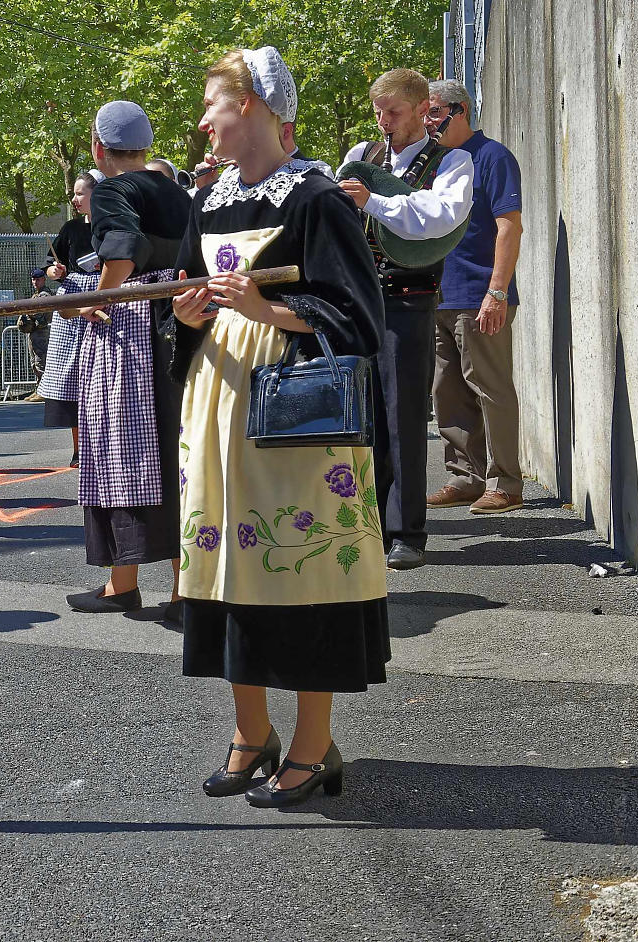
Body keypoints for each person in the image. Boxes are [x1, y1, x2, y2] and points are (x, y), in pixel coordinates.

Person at [172, 46, 389, 808]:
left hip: (296, 410)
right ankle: (250, 731)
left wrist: (267, 312)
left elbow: (359, 315)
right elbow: (191, 288)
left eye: (214, 106)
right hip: (218, 398)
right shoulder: (210, 202)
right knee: (229, 565)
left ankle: (312, 744)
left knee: (301, 564)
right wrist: (188, 312)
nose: (203, 122)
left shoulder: (316, 200)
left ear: (255, 105)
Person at [339, 68, 475, 571]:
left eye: (393, 112)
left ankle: (407, 532)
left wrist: (371, 199)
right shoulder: (361, 157)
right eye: (378, 112)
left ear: (423, 110)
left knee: (403, 419)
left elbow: (437, 216)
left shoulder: (452, 162)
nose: (384, 122)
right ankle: (365, 524)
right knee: (362, 418)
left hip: (408, 300)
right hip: (359, 301)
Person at [62, 104, 190, 616]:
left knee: (120, 445)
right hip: (179, 320)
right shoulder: (176, 191)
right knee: (173, 446)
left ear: (98, 147)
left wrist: (99, 296)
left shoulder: (114, 189)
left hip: (133, 328)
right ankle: (185, 589)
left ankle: (125, 582)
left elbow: (124, 246)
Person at [425, 78, 524, 515]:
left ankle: (505, 484)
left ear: (459, 110)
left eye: (432, 113)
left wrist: (497, 292)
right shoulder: (436, 163)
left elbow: (509, 227)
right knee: (447, 392)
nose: (426, 122)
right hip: (438, 295)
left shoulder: (493, 157)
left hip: (479, 295)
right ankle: (465, 477)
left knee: (490, 389)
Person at [36, 175, 99, 454]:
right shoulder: (71, 228)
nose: (74, 200)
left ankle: (102, 446)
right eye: (74, 194)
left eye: (79, 194)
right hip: (71, 303)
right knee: (71, 375)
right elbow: (50, 267)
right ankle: (79, 450)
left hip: (103, 298)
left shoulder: (114, 224)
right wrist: (56, 272)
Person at [17, 266, 51, 401]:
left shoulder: (45, 295)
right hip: (35, 332)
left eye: (38, 279)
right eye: (33, 279)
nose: (35, 282)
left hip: (42, 332)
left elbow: (40, 313)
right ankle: (38, 390)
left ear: (43, 279)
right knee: (35, 362)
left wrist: (28, 310)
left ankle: (44, 392)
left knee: (41, 362)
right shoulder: (36, 294)